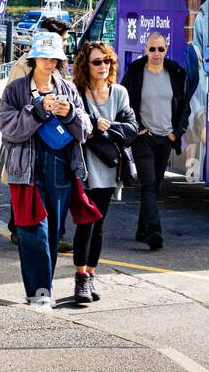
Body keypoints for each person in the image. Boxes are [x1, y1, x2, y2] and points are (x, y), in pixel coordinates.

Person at [0, 31, 95, 307]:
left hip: (61, 166)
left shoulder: (68, 88)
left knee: (53, 232)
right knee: (32, 230)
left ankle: (44, 290)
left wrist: (71, 114)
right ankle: (39, 293)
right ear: (34, 57)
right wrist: (37, 111)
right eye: (46, 57)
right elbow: (7, 127)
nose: (51, 63)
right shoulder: (16, 89)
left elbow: (85, 129)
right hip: (27, 169)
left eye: (55, 58)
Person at [70, 40, 137, 303]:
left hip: (110, 167)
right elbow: (73, 124)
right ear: (85, 65)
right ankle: (80, 280)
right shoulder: (77, 91)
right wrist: (92, 123)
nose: (103, 66)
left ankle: (91, 274)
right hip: (84, 169)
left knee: (98, 225)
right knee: (85, 224)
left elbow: (132, 127)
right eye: (97, 61)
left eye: (107, 61)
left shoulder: (119, 93)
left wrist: (105, 128)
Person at [2, 16, 75, 244]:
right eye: (61, 39)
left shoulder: (59, 68)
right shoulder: (23, 67)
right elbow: (10, 105)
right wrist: (33, 112)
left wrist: (69, 111)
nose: (64, 44)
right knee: (24, 182)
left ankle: (52, 234)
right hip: (27, 139)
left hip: (55, 140)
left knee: (50, 191)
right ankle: (21, 229)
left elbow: (76, 107)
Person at [123, 31, 189, 250]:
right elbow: (125, 102)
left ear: (166, 49)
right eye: (152, 49)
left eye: (161, 49)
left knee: (156, 184)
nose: (157, 53)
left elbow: (184, 107)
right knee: (148, 183)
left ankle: (141, 230)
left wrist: (175, 134)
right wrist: (138, 128)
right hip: (144, 137)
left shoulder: (176, 72)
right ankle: (154, 231)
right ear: (145, 50)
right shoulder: (135, 71)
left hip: (165, 138)